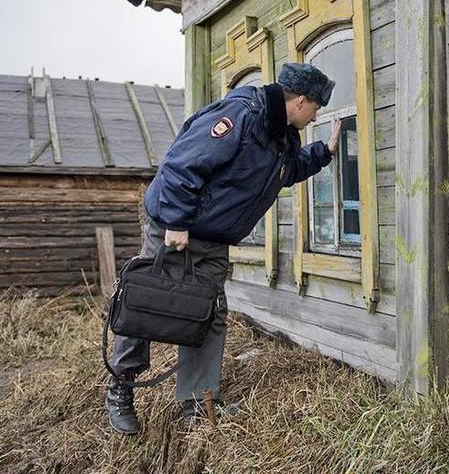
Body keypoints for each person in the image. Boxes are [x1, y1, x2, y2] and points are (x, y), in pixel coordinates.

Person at [105, 62, 341, 435]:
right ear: (300, 101)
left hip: (214, 239)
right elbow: (182, 164)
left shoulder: (282, 134)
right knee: (145, 304)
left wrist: (322, 153)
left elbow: (282, 173)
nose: (317, 115)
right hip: (175, 228)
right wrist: (178, 221)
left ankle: (198, 402)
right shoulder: (242, 115)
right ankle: (121, 390)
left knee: (209, 314)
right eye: (317, 108)